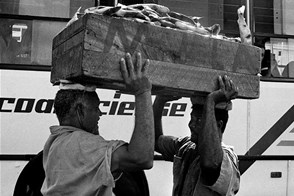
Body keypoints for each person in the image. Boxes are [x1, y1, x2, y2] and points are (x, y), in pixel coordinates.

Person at [41, 52, 154, 196]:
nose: (100, 114)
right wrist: (142, 92)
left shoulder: (55, 142)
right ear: (80, 111)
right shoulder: (82, 145)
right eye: (96, 108)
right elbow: (142, 158)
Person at [153, 75, 240, 196]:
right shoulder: (186, 147)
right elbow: (153, 140)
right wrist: (160, 101)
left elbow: (210, 163)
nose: (191, 125)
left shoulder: (227, 158)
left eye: (199, 121)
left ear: (218, 125)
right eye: (191, 119)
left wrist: (211, 101)